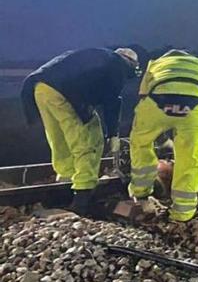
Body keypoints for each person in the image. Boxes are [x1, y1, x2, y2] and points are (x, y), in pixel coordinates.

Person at [20, 48, 139, 212]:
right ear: (130, 64)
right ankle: (83, 194)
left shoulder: (100, 56)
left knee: (59, 138)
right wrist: (113, 135)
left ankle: (65, 181)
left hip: (40, 88)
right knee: (88, 136)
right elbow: (111, 102)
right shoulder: (117, 65)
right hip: (66, 93)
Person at [127, 50, 198, 223]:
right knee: (190, 159)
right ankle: (182, 213)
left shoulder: (155, 65)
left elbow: (143, 99)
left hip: (156, 103)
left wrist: (161, 139)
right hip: (196, 108)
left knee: (141, 144)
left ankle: (141, 191)